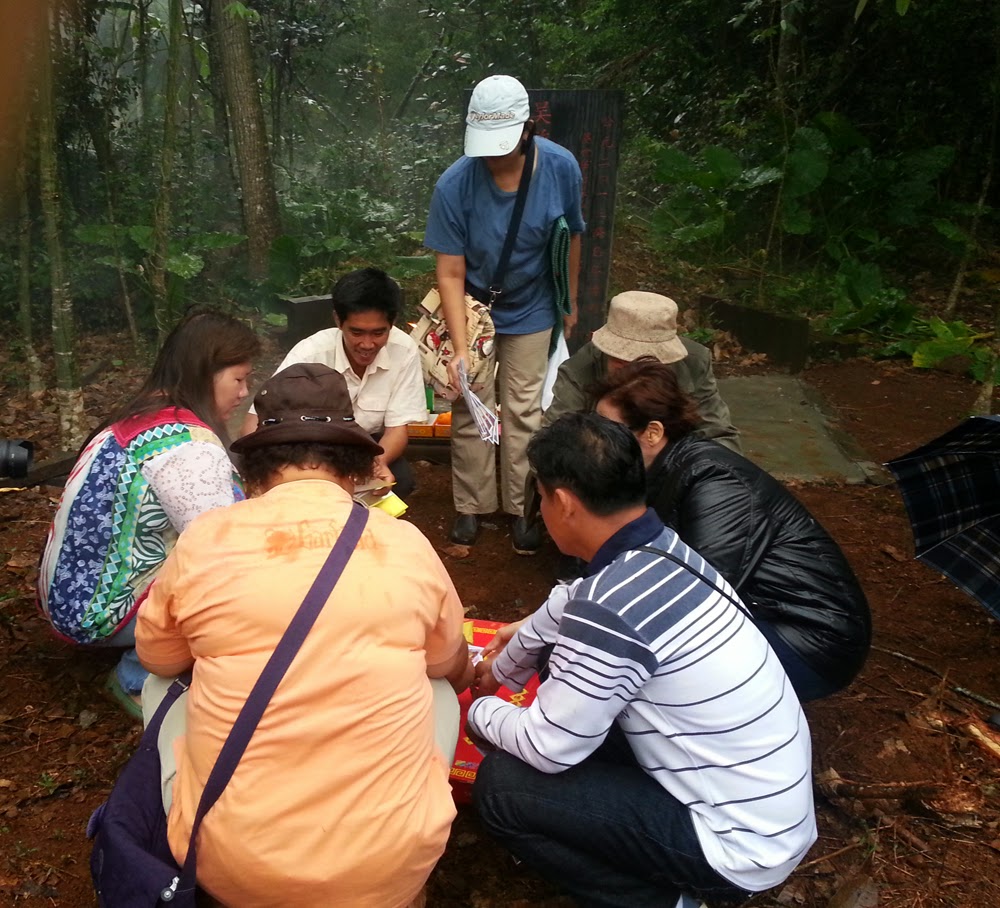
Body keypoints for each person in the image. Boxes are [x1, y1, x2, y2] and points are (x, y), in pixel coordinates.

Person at [137, 363, 474, 908]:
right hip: (388, 867)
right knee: (435, 681)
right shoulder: (405, 542)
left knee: (161, 684)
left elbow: (157, 657)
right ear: (355, 464)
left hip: (231, 866)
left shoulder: (206, 539)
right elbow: (451, 665)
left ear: (257, 464)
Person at [468, 412, 816, 908]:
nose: (540, 510)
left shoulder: (609, 608)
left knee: (502, 788)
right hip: (770, 816)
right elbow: (566, 604)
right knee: (565, 685)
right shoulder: (667, 551)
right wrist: (506, 662)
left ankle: (665, 901)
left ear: (563, 503)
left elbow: (548, 748)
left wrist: (476, 709)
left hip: (735, 848)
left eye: (539, 497)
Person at [593, 358, 871, 701]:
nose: (595, 441)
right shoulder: (659, 471)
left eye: (607, 431)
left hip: (812, 639)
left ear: (652, 432)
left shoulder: (715, 480)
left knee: (639, 680)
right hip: (769, 614)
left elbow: (697, 594)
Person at [37, 310, 260, 719]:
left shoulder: (141, 416)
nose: (244, 393)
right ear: (206, 372)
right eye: (239, 379)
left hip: (68, 596)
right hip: (99, 615)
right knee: (237, 578)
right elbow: (225, 551)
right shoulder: (188, 448)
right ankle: (138, 676)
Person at [424, 74, 586, 553]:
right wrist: (459, 347)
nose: (493, 156)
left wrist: (570, 301)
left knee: (524, 410)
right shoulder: (454, 185)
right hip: (474, 308)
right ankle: (472, 505)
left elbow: (572, 235)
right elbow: (450, 271)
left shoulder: (560, 167)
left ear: (527, 130)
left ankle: (522, 507)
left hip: (534, 303)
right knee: (470, 402)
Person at [240, 267, 427, 500]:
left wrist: (378, 464)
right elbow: (252, 424)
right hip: (308, 448)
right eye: (356, 332)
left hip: (366, 447)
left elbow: (397, 429)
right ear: (338, 320)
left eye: (378, 333)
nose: (367, 344)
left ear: (393, 322)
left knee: (401, 481)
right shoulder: (311, 353)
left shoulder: (404, 350)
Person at [543, 290, 741, 452]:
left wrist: (697, 474)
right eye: (622, 361)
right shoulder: (579, 371)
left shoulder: (694, 362)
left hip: (677, 463)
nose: (632, 371)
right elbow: (552, 446)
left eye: (645, 363)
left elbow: (719, 435)